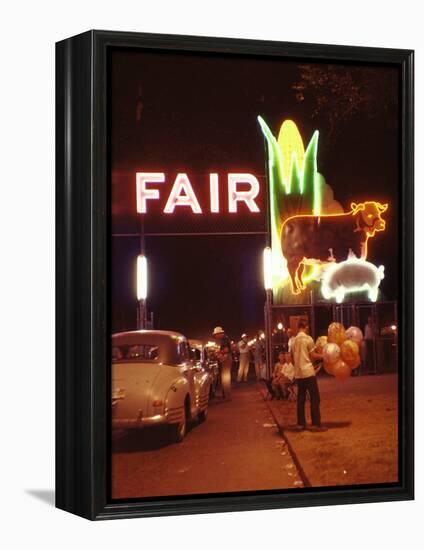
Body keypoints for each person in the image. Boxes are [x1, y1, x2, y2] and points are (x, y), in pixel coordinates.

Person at [291, 320, 326, 431]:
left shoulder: (293, 341)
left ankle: (301, 423)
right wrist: (324, 356)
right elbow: (313, 355)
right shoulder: (308, 339)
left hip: (298, 374)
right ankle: (315, 424)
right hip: (308, 373)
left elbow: (292, 358)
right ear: (306, 327)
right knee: (315, 398)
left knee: (301, 399)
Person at [213, 326, 232, 400]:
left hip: (226, 359)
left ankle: (227, 396)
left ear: (219, 333)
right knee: (225, 377)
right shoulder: (225, 338)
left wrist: (218, 352)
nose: (215, 336)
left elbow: (226, 350)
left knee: (225, 378)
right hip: (227, 359)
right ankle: (226, 395)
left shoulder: (224, 339)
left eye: (216, 335)